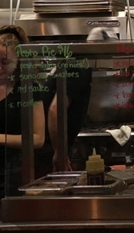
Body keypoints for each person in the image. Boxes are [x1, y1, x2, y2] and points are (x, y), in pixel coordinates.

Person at [35, 28, 118, 177]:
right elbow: (55, 110)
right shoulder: (80, 67)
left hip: (47, 147)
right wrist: (59, 152)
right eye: (106, 49)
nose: (109, 55)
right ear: (93, 45)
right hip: (47, 150)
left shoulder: (74, 61)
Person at [0, 25, 45, 197]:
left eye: (5, 63)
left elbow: (38, 139)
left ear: (18, 61)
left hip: (14, 172)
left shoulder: (27, 88)